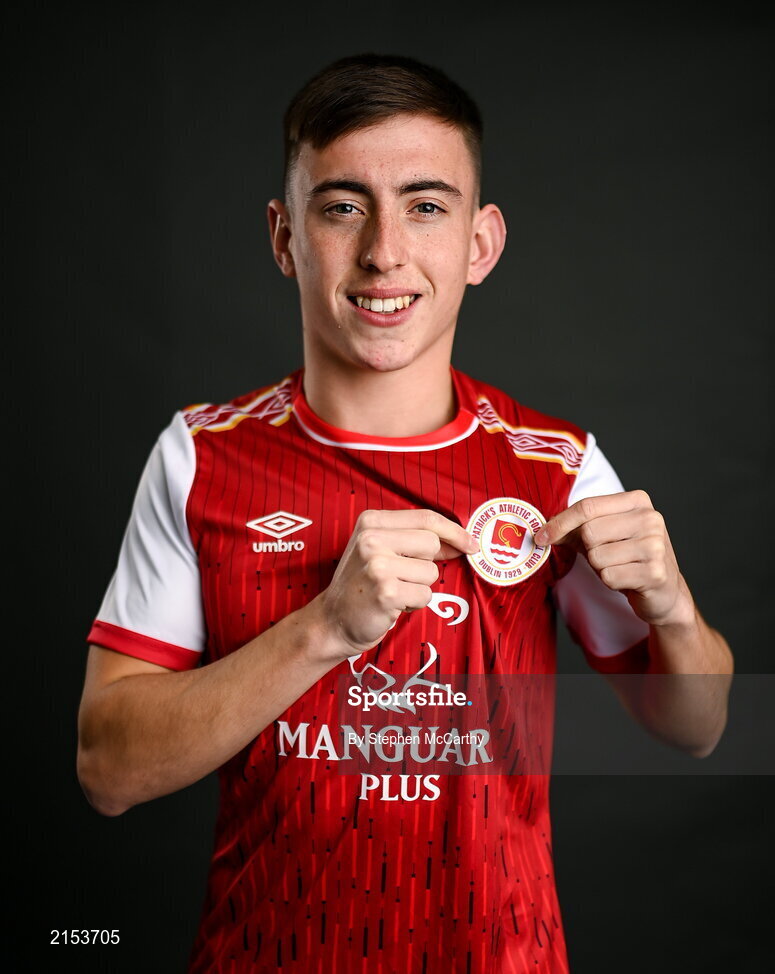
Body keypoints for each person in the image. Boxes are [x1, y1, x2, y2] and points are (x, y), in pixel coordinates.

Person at [77, 54, 734, 973]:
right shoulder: (201, 454)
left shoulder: (555, 465)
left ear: (479, 242)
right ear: (283, 237)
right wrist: (323, 629)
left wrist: (671, 609)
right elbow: (107, 773)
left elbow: (697, 728)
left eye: (426, 205)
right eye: (342, 206)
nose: (384, 251)